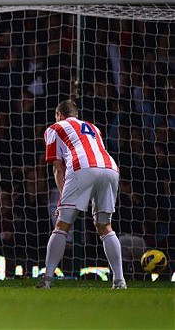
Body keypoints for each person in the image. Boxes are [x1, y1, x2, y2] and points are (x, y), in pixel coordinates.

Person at [36, 100, 126, 289]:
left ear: (59, 115)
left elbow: (58, 168)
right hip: (110, 168)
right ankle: (119, 281)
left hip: (82, 167)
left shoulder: (54, 128)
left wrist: (61, 201)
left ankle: (47, 279)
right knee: (105, 226)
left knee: (62, 225)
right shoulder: (93, 127)